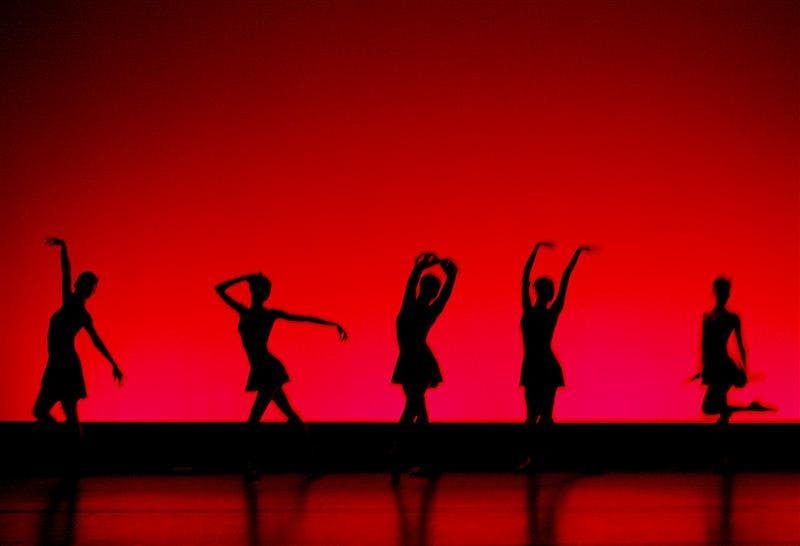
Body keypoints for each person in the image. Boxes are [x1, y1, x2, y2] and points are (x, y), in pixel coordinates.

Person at [215, 273, 347, 475]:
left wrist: (332, 324)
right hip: (261, 368)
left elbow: (302, 318)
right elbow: (219, 289)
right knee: (290, 415)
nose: (257, 293)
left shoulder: (267, 314)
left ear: (263, 293)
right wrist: (245, 277)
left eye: (260, 290)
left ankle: (250, 465)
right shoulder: (244, 311)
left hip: (268, 369)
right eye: (255, 289)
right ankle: (313, 461)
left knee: (254, 420)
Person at [33, 238, 124, 465]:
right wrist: (64, 248)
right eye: (86, 283)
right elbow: (65, 272)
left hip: (65, 364)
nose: (87, 288)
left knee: (62, 413)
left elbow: (96, 341)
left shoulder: (78, 310)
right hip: (58, 364)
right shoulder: (73, 305)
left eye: (90, 286)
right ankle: (72, 449)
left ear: (90, 291)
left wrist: (113, 363)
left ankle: (75, 455)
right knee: (50, 412)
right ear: (78, 285)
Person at [519, 242, 591, 470]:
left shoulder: (533, 310)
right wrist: (573, 256)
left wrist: (536, 251)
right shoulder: (544, 311)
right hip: (541, 365)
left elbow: (527, 277)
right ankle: (537, 457)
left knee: (536, 416)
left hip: (538, 365)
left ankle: (537, 457)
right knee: (540, 416)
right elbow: (561, 280)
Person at [391, 252, 457, 481]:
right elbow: (413, 285)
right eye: (430, 288)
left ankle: (397, 455)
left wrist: (447, 276)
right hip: (410, 361)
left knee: (412, 409)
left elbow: (442, 296)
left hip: (419, 362)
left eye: (433, 290)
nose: (431, 293)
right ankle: (427, 461)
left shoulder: (422, 308)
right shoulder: (411, 305)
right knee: (419, 411)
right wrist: (421, 268)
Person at [698, 277, 772, 424]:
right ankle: (747, 408)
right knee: (714, 407)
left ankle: (739, 410)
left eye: (726, 292)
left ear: (728, 294)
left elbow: (740, 344)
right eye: (721, 292)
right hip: (714, 366)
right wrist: (704, 366)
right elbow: (704, 345)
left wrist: (744, 368)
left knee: (710, 407)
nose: (724, 295)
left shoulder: (732, 318)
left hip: (724, 366)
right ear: (715, 292)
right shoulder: (707, 317)